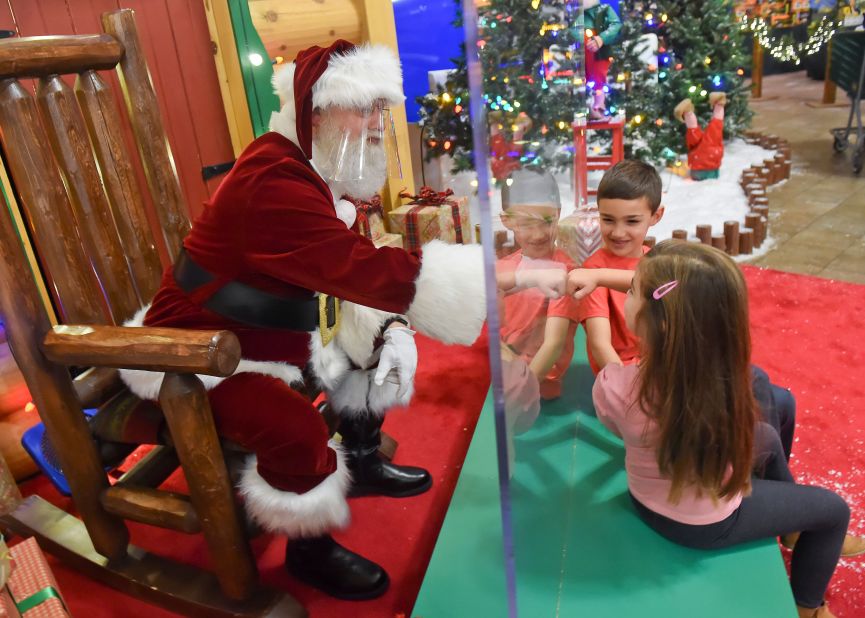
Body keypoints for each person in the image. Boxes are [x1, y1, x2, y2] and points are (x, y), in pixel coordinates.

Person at [119, 40, 486, 600]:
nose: (374, 124)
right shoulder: (274, 182)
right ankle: (308, 548)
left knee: (369, 355)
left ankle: (359, 460)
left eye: (380, 110)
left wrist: (386, 330)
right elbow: (356, 267)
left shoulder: (316, 171)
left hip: (273, 330)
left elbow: (339, 280)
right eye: (361, 108)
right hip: (199, 353)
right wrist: (482, 278)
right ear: (314, 112)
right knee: (293, 426)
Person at [591, 240, 864, 618]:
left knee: (767, 433)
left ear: (660, 320)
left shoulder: (615, 386)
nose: (626, 294)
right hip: (704, 524)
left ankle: (791, 530)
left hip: (648, 498)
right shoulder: (726, 380)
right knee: (834, 510)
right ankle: (808, 607)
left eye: (632, 289)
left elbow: (615, 423)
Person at [579, 160, 797, 460]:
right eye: (608, 219)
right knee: (759, 420)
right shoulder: (593, 270)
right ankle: (750, 472)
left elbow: (679, 301)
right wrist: (628, 395)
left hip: (670, 362)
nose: (618, 232)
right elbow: (600, 344)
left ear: (655, 216)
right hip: (638, 379)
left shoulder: (656, 261)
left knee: (777, 396)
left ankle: (758, 473)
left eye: (631, 221)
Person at [495, 168, 580, 402]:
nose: (539, 234)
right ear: (506, 220)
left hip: (539, 377)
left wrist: (524, 389)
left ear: (559, 214)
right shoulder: (504, 267)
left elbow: (554, 345)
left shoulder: (565, 271)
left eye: (547, 222)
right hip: (505, 367)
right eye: (526, 224)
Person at [579, 0, 622, 120]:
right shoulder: (575, 13)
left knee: (599, 78)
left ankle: (599, 106)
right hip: (582, 54)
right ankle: (589, 106)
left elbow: (616, 24)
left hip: (599, 53)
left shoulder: (604, 9)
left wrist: (601, 39)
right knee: (586, 77)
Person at [674, 92, 727, 181]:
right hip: (710, 163)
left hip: (697, 163)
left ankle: (688, 112)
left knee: (693, 133)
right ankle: (719, 103)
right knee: (715, 129)